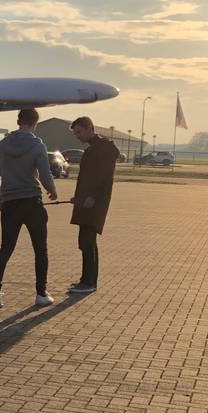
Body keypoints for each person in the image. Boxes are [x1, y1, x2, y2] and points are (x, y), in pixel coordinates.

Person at [0, 107, 58, 309]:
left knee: (6, 248)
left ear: (18, 121)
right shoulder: (37, 145)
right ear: (35, 123)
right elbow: (45, 174)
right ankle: (41, 293)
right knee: (40, 250)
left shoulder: (1, 145)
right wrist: (52, 190)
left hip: (9, 203)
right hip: (31, 201)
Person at [67, 116, 119, 293]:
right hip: (86, 201)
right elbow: (86, 179)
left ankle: (89, 282)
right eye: (75, 134)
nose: (78, 136)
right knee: (86, 241)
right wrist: (78, 197)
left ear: (90, 128)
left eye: (79, 132)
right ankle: (86, 279)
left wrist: (92, 197)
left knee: (88, 241)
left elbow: (103, 177)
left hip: (94, 203)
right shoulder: (92, 149)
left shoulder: (104, 148)